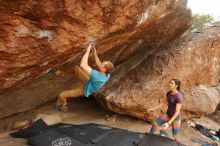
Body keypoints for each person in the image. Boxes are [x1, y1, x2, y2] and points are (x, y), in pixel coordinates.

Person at [56, 44, 114, 112]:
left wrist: (88, 51)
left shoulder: (97, 76)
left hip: (84, 90)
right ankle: (62, 74)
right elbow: (99, 64)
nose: (101, 63)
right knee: (76, 68)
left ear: (104, 69)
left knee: (61, 95)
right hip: (89, 81)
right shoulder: (107, 74)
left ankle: (63, 105)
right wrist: (95, 53)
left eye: (103, 64)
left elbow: (83, 65)